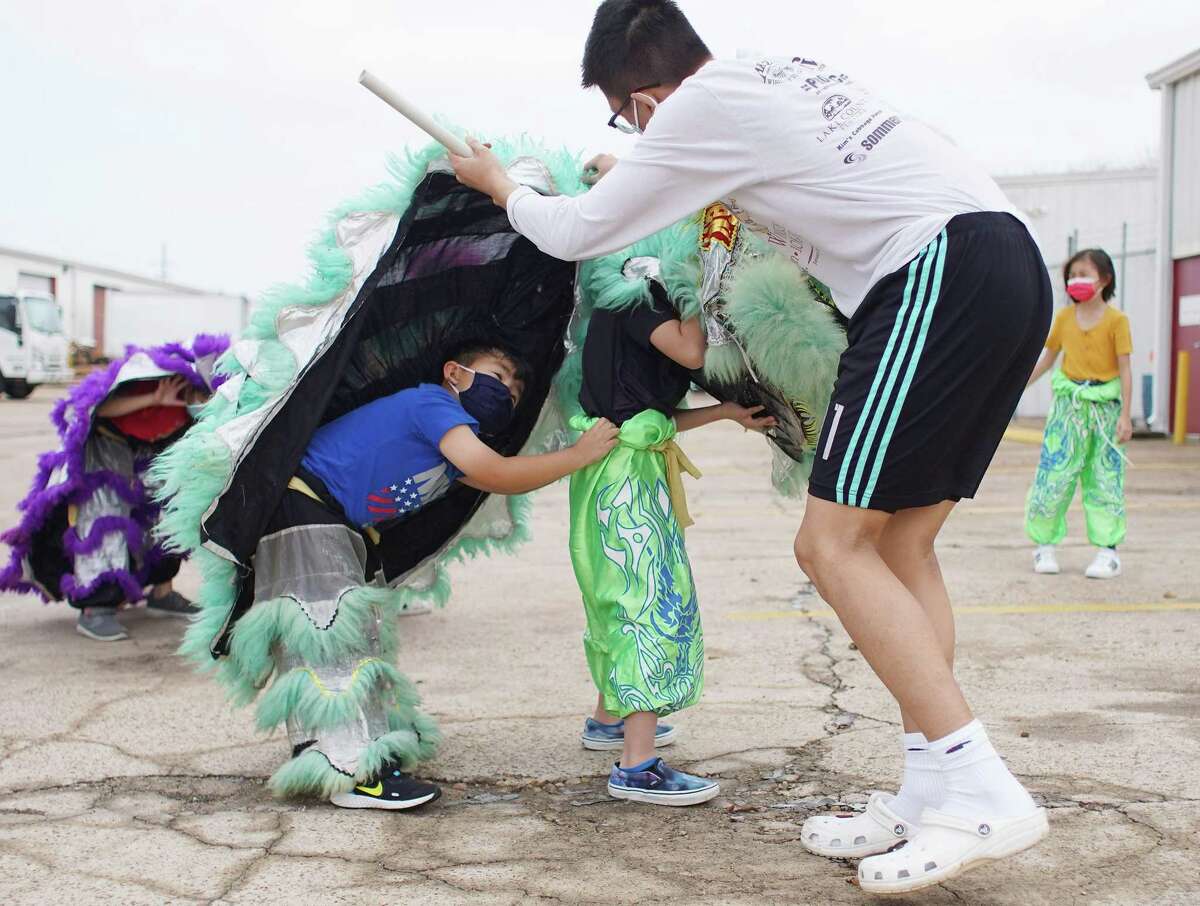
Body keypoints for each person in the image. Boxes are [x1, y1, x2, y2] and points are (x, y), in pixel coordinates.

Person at [449, 0, 1051, 892]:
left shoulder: (692, 111)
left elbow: (574, 230)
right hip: (1003, 264)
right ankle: (933, 785)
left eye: (625, 120)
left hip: (933, 272)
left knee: (829, 544)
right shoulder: (770, 76)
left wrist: (501, 185)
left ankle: (978, 788)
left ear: (645, 102)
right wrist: (642, 172)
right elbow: (741, 199)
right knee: (898, 543)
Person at [234, 341, 618, 811]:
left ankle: (347, 749)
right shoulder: (431, 403)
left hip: (333, 521)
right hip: (305, 506)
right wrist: (579, 455)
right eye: (498, 377)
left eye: (515, 394)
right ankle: (354, 772)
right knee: (330, 637)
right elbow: (494, 471)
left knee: (348, 638)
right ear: (454, 373)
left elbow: (508, 473)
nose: (507, 393)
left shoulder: (454, 450)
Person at [571, 282, 774, 805]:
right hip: (624, 482)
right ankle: (636, 767)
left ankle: (609, 720)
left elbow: (651, 417)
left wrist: (725, 412)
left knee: (622, 595)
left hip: (627, 469)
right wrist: (703, 293)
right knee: (645, 601)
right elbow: (691, 349)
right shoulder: (639, 295)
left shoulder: (633, 301)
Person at [0, 337, 227, 642]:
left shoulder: (204, 399)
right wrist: (153, 399)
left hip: (150, 454)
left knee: (166, 519)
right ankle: (96, 606)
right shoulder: (151, 372)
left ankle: (162, 591)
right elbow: (96, 407)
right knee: (104, 522)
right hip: (104, 449)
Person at [1024, 248, 1132, 579]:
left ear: (1105, 279)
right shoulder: (1064, 319)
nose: (1076, 280)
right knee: (1054, 475)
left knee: (1104, 479)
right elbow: (1048, 359)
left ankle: (1107, 552)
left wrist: (1126, 416)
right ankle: (1043, 545)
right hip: (1068, 410)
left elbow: (1125, 370)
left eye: (1084, 273)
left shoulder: (1118, 321)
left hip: (1105, 411)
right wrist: (1014, 387)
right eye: (1071, 275)